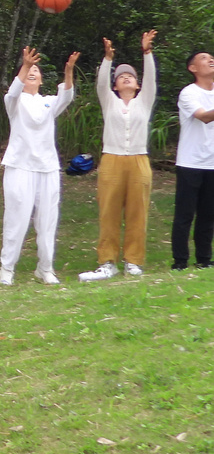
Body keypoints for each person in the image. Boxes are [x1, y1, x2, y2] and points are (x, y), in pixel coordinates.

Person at [0, 45, 79, 286]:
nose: (33, 72)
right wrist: (25, 65)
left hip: (47, 167)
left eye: (36, 70)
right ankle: (7, 268)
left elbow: (66, 96)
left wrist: (69, 71)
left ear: (42, 80)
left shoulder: (48, 102)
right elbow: (12, 93)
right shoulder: (14, 102)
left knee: (47, 221)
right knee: (16, 219)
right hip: (19, 166)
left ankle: (45, 268)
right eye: (28, 71)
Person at [81, 32, 157, 280]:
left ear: (137, 85)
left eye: (131, 76)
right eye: (121, 76)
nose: (126, 78)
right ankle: (107, 261)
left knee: (138, 212)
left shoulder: (143, 102)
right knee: (109, 212)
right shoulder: (110, 102)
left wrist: (147, 53)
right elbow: (101, 84)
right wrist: (107, 59)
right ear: (115, 86)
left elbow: (151, 79)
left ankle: (133, 261)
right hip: (112, 159)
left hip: (139, 160)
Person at [173, 49, 214, 271]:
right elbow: (204, 117)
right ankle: (180, 261)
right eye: (204, 58)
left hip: (212, 163)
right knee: (185, 215)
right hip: (190, 162)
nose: (211, 60)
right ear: (193, 68)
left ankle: (204, 259)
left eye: (211, 57)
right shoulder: (189, 93)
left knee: (208, 214)